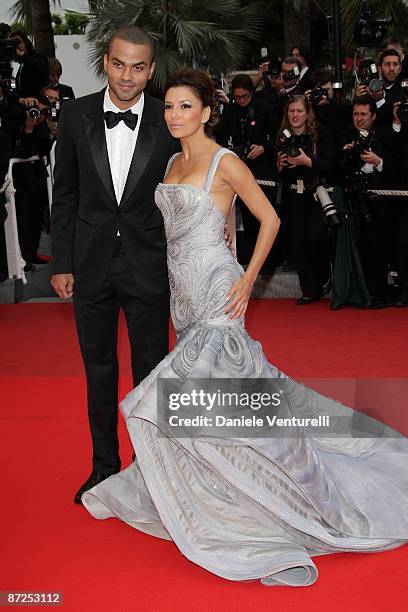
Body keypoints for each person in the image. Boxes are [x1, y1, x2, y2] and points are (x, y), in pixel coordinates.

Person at [81, 67, 408, 588]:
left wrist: (248, 280)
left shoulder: (225, 161)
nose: (174, 115)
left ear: (207, 113)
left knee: (174, 395)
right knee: (225, 402)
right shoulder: (169, 161)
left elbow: (269, 219)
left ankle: (291, 497)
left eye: (186, 106)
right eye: (169, 107)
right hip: (182, 297)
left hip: (216, 291)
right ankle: (229, 485)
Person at [50, 26, 180, 503]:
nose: (128, 76)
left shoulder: (169, 119)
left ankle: (151, 471)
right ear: (105, 62)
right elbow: (63, 194)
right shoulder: (75, 114)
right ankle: (104, 466)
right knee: (99, 368)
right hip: (91, 264)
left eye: (139, 67)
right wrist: (62, 262)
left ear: (151, 69)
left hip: (148, 264)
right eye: (120, 64)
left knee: (151, 372)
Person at [277, 95, 337, 304]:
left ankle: (324, 276)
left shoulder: (321, 134)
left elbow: (331, 163)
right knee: (298, 241)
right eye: (291, 111)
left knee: (316, 237)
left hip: (316, 194)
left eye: (299, 111)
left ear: (307, 113)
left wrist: (307, 161)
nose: (295, 115)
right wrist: (281, 164)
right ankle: (309, 290)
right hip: (293, 195)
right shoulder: (283, 137)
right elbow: (279, 171)